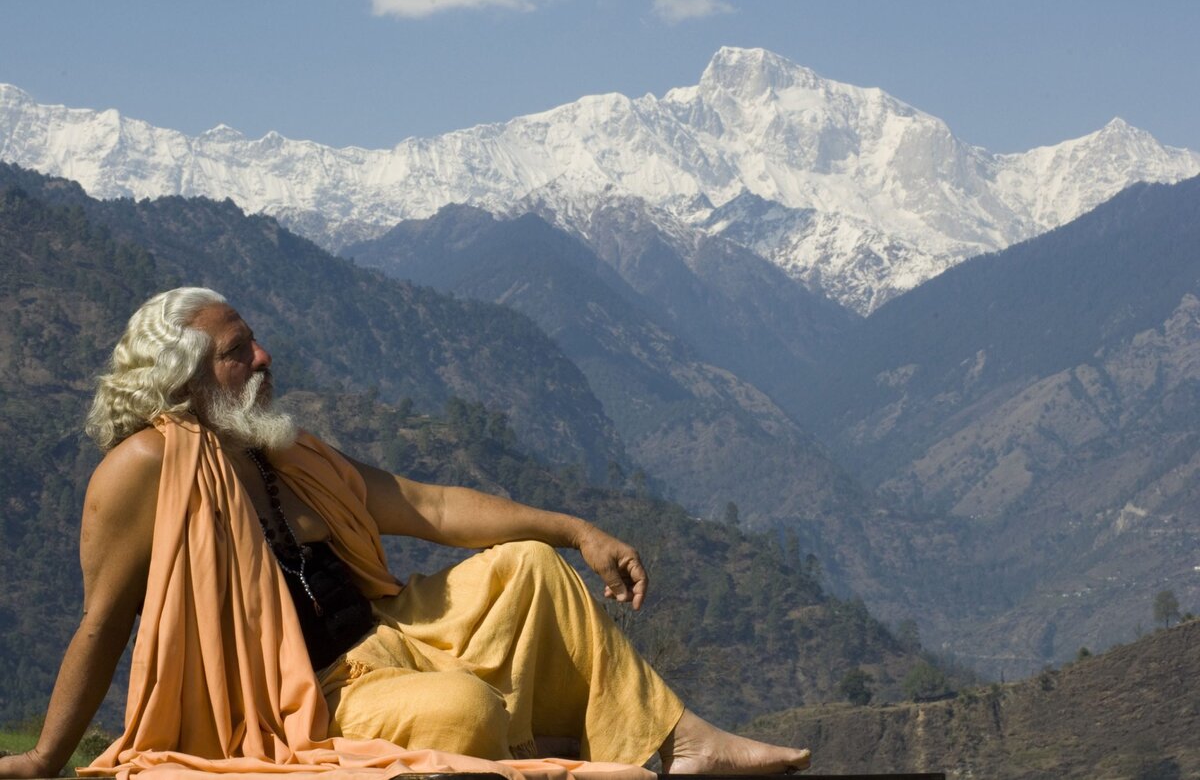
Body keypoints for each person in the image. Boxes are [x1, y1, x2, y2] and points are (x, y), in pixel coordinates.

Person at [0, 288, 810, 779]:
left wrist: (575, 528)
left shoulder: (276, 447)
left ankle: (684, 741)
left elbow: (430, 507)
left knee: (531, 566)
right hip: (303, 704)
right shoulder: (142, 468)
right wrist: (42, 758)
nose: (265, 356)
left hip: (387, 639)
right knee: (462, 710)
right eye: (239, 351)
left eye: (255, 340)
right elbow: (102, 623)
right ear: (184, 377)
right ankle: (551, 742)